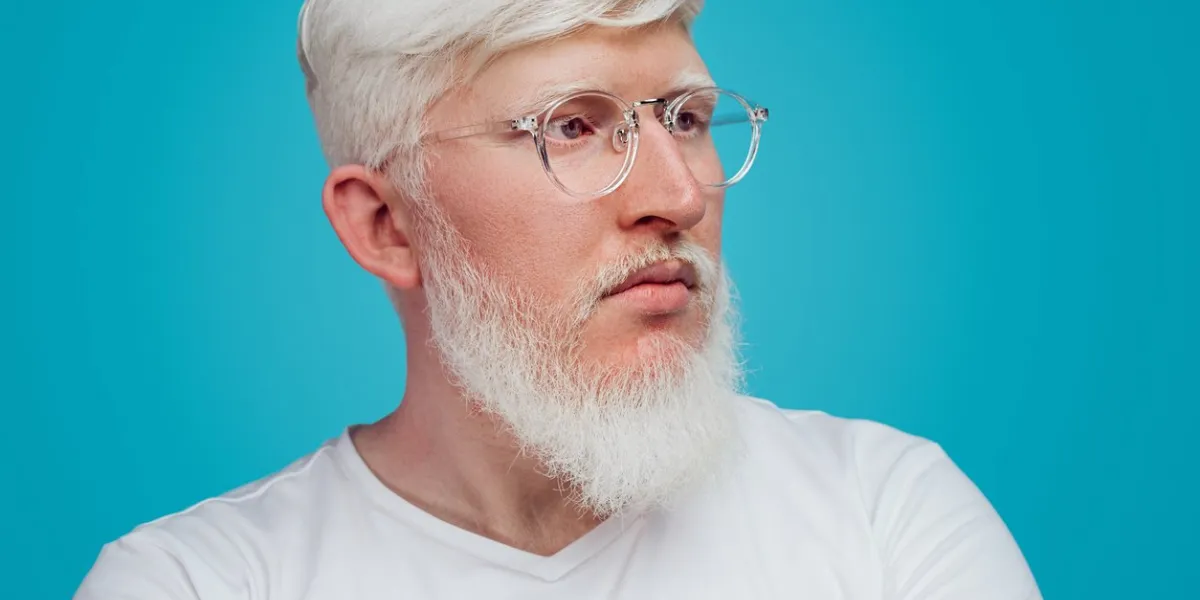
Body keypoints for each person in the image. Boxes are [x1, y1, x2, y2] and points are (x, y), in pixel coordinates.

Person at [75, 0, 1042, 598]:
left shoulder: (885, 516)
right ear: (387, 226)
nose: (679, 195)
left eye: (688, 119)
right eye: (574, 127)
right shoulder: (197, 585)